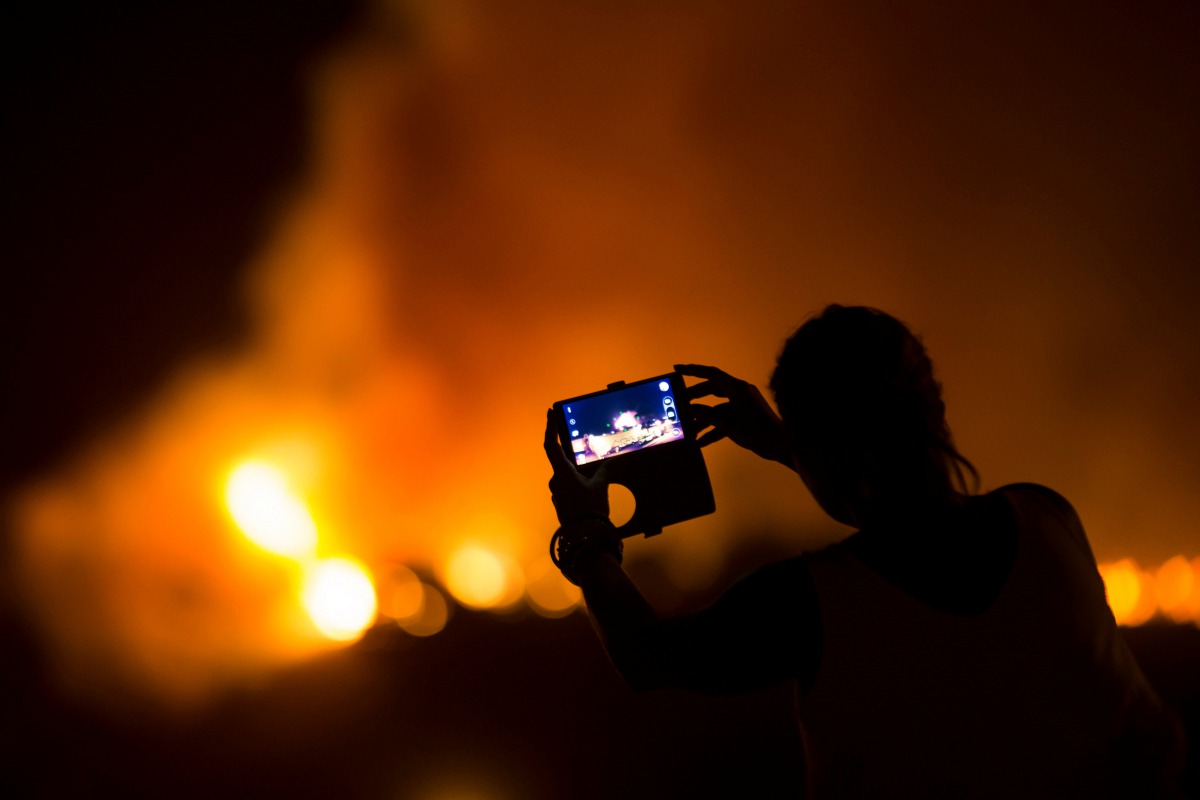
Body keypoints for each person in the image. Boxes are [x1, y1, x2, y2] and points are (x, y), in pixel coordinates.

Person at [543, 304, 1185, 798]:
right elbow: (907, 515)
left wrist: (587, 532)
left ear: (826, 455)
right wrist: (791, 445)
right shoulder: (1049, 518)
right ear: (934, 405)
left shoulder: (809, 605)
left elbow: (647, 658)